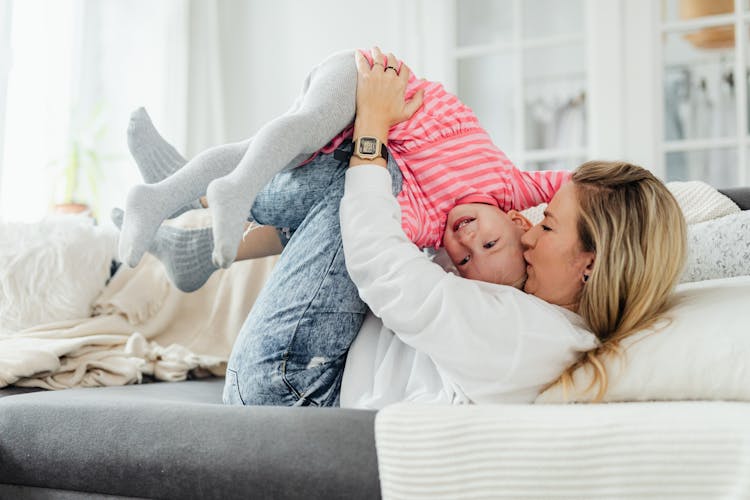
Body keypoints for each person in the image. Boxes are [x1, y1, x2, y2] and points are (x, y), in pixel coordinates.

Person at [116, 48, 569, 289]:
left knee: (259, 153)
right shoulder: (512, 186)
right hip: (372, 83)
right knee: (301, 128)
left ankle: (168, 196)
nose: (468, 240)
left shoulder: (428, 226)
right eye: (489, 242)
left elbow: (365, 225)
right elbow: (582, 185)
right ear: (513, 219)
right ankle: (212, 193)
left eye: (466, 259)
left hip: (347, 136)